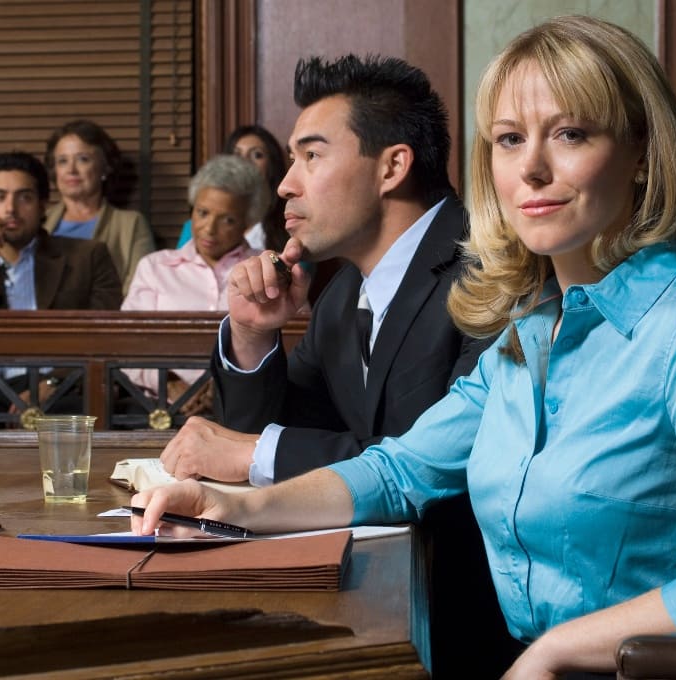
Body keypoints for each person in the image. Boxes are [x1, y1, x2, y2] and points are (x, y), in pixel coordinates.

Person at [130, 16, 676, 679]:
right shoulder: (530, 326)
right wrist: (229, 507)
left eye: (571, 134)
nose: (532, 170)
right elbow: (399, 473)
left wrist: (559, 649)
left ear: (642, 154)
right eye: (509, 139)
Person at [157, 54, 499, 676]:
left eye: (311, 156)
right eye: (292, 159)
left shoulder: (488, 274)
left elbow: (440, 469)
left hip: (471, 623)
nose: (286, 184)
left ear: (392, 165)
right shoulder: (342, 292)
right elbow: (274, 432)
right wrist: (255, 337)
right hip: (360, 591)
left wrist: (253, 454)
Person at [121, 153, 267, 407]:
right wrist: (170, 384)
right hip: (159, 411)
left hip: (245, 409)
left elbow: (295, 343)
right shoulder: (155, 268)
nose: (209, 229)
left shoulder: (266, 269)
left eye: (227, 220)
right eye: (202, 213)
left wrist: (227, 387)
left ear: (248, 222)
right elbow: (126, 345)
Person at [0, 151, 122, 312]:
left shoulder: (89, 258)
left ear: (42, 206)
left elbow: (106, 338)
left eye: (24, 198)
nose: (10, 209)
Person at [43, 119, 156, 294]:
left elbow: (140, 293)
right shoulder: (39, 222)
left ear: (105, 168)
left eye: (83, 159)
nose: (71, 170)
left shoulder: (131, 224)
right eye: (62, 161)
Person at [177, 124, 289, 253]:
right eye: (237, 154)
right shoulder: (194, 227)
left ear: (272, 165)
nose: (245, 160)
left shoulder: (288, 226)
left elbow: (298, 271)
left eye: (257, 155)